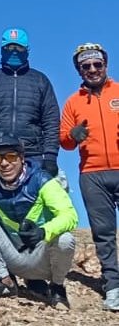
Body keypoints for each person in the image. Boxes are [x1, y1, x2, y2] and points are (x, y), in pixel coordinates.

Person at [0, 131, 77, 307]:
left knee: (65, 239)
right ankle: (5, 282)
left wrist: (43, 232)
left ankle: (57, 288)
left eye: (11, 157)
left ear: (21, 157)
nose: (4, 163)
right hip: (13, 257)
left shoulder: (42, 180)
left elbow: (70, 216)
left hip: (43, 259)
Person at [60, 43, 119, 312]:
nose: (93, 70)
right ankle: (113, 287)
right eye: (86, 66)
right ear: (79, 70)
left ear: (105, 65)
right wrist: (73, 136)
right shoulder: (73, 101)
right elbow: (64, 140)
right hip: (92, 174)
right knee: (104, 234)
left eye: (97, 64)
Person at [0, 28, 60, 180]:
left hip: (32, 155)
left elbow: (51, 121)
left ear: (27, 50)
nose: (14, 52)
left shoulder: (40, 80)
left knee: (35, 203)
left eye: (19, 48)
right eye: (9, 48)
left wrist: (50, 155)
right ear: (2, 50)